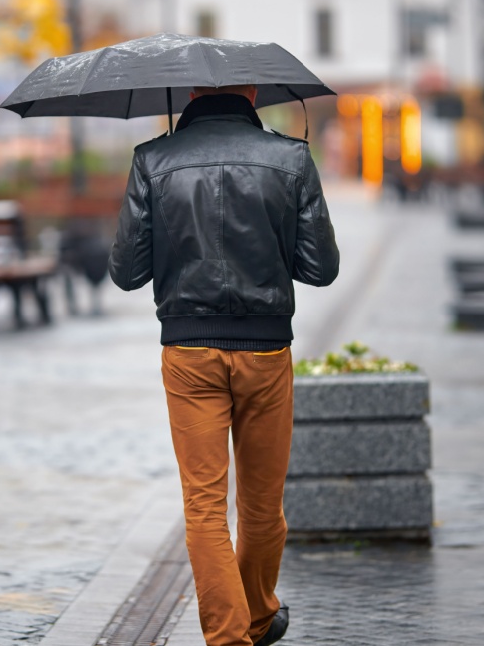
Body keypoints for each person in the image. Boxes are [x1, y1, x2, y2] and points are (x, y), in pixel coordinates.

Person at [108, 85, 339, 646]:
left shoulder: (152, 159)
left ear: (189, 93)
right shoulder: (290, 159)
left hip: (188, 353)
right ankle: (257, 617)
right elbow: (321, 268)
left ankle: (235, 634)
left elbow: (127, 272)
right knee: (262, 506)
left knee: (204, 507)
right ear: (254, 92)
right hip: (265, 350)